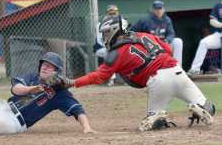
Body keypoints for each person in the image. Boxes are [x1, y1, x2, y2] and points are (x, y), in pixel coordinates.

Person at [60, 15, 215, 131]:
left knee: (155, 123)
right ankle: (199, 107)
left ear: (116, 30)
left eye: (107, 33)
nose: (105, 37)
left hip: (158, 81)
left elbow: (99, 76)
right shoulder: (144, 35)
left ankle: (157, 117)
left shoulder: (115, 53)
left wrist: (73, 82)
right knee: (209, 107)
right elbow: (168, 49)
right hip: (178, 72)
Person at [131, 0, 183, 67]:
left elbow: (171, 34)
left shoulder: (167, 20)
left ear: (163, 9)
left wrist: (167, 40)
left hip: (163, 43)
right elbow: (133, 31)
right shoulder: (145, 20)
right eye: (156, 9)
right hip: (150, 45)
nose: (158, 11)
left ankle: (177, 66)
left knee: (178, 41)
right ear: (153, 10)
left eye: (160, 8)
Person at [188, 1, 222, 75]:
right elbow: (212, 21)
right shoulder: (219, 5)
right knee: (204, 42)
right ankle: (195, 69)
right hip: (219, 34)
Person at [94, 4, 119, 86]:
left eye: (114, 13)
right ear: (106, 14)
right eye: (110, 14)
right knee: (109, 53)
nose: (112, 15)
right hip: (101, 48)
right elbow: (100, 41)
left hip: (116, 47)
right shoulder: (100, 25)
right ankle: (110, 80)